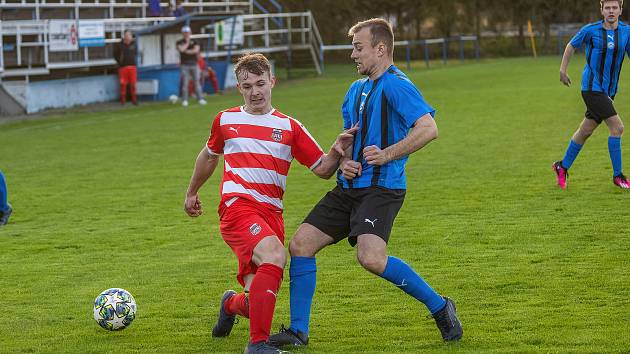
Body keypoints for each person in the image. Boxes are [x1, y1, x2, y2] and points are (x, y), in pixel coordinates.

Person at [268, 18, 463, 348]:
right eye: (353, 48)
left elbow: (428, 128)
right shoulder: (355, 90)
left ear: (380, 49)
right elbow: (349, 141)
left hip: (383, 188)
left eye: (359, 48)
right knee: (301, 245)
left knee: (371, 258)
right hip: (349, 188)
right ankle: (298, 331)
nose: (352, 54)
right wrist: (344, 161)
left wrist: (386, 154)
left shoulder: (397, 85)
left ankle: (441, 306)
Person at [184, 53, 357, 354]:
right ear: (239, 88)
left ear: (272, 82)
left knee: (257, 302)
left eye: (260, 83)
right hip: (237, 209)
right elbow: (209, 156)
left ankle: (230, 304)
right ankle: (258, 346)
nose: (255, 92)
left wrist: (337, 151)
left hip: (271, 216)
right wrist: (191, 192)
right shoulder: (225, 120)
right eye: (247, 85)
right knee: (277, 255)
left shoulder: (290, 128)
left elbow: (322, 169)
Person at [554, 0, 630, 189]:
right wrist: (563, 70)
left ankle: (562, 166)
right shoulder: (591, 30)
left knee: (585, 131)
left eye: (614, 8)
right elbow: (571, 46)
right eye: (607, 8)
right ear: (602, 10)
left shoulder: (626, 32)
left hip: (609, 91)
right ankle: (618, 176)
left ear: (621, 10)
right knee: (617, 128)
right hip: (591, 88)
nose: (611, 11)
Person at [177, 26, 206, 107]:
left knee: (197, 82)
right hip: (184, 65)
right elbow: (181, 50)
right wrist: (187, 43)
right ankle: (185, 100)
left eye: (188, 32)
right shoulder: (179, 42)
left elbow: (196, 50)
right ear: (182, 33)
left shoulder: (195, 41)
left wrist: (187, 51)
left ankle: (200, 99)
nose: (186, 34)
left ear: (190, 33)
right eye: (185, 33)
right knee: (185, 83)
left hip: (194, 64)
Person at [113, 29, 138, 105]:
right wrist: (120, 62)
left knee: (133, 84)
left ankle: (134, 100)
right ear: (124, 36)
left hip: (132, 67)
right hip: (123, 68)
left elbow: (136, 53)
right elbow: (115, 55)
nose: (128, 37)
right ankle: (123, 101)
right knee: (123, 84)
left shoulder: (134, 44)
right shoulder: (120, 45)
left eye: (129, 35)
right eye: (127, 35)